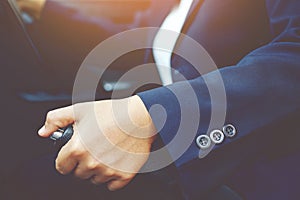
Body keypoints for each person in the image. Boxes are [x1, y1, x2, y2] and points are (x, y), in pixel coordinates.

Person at [8, 0, 300, 199]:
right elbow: (142, 35)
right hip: (175, 147)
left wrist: (148, 117)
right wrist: (45, 10)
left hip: (241, 161)